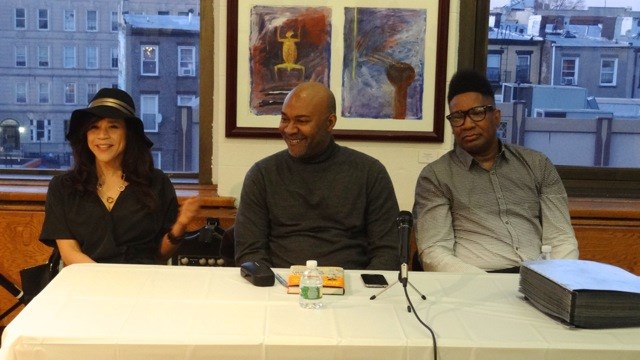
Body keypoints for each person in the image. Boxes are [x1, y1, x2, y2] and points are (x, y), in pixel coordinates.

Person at [412, 70, 579, 273]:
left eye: (477, 113)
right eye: (457, 117)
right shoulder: (436, 177)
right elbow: (434, 252)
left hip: (536, 280)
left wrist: (552, 282)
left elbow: (561, 238)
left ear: (496, 116)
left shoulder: (537, 165)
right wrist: (486, 287)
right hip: (473, 283)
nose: (467, 124)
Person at [234, 82, 400, 270]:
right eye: (284, 119)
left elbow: (388, 251)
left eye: (302, 121)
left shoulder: (370, 173)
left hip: (354, 287)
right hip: (279, 286)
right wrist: (270, 285)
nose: (289, 129)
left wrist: (365, 292)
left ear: (330, 123)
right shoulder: (262, 175)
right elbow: (250, 251)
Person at [39, 88, 200, 265]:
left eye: (113, 126)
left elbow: (159, 255)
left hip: (142, 284)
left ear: (129, 134)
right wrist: (108, 284)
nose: (102, 136)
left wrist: (181, 225)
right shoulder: (63, 187)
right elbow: (70, 253)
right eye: (94, 127)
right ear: (85, 135)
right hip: (86, 283)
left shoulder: (157, 182)